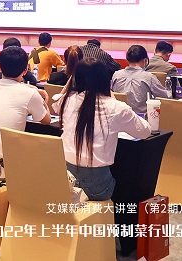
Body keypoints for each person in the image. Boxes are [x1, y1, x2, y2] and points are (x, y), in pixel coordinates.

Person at [55, 58, 151, 201]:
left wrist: (70, 84)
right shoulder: (115, 107)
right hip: (97, 185)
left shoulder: (66, 101)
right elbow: (145, 132)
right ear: (105, 80)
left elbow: (57, 103)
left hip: (65, 177)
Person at [0, 47, 50, 173]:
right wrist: (44, 100)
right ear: (25, 70)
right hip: (6, 168)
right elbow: (46, 120)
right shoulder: (30, 94)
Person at [110, 45, 170, 114]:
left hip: (119, 115)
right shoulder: (148, 77)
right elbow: (164, 97)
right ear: (145, 60)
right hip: (141, 118)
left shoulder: (116, 75)